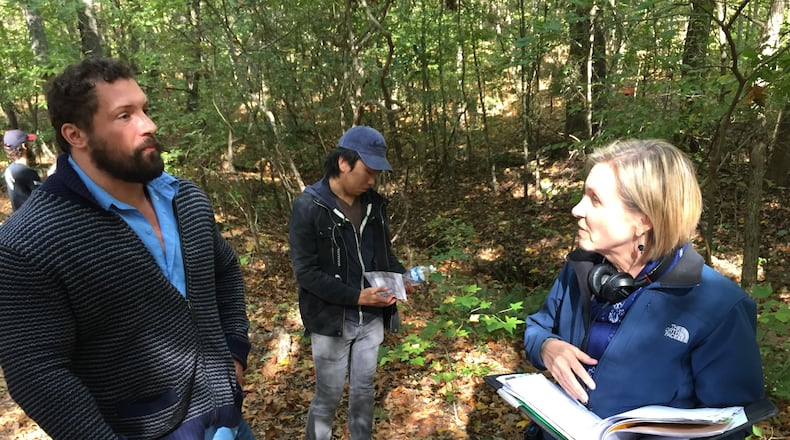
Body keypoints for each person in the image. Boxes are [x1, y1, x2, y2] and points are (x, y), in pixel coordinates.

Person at [0, 57, 256, 439]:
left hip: (229, 418)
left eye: (145, 110)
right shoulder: (31, 241)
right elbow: (37, 370)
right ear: (75, 135)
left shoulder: (186, 199)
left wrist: (234, 351)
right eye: (125, 115)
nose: (150, 125)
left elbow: (224, 270)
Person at [523, 139, 764, 439]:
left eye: (595, 200)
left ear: (643, 220)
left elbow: (730, 424)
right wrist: (547, 347)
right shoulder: (580, 269)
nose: (576, 209)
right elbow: (536, 327)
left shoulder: (718, 307)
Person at [289, 126, 414, 440]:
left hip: (371, 320)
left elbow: (383, 254)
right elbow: (306, 273)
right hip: (332, 322)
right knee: (328, 396)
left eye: (376, 174)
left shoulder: (373, 204)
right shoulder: (310, 207)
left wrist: (402, 278)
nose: (372, 180)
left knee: (363, 392)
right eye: (368, 172)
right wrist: (358, 297)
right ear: (343, 163)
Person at [3, 129, 42, 211]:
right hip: (33, 220)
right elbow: (44, 198)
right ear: (24, 146)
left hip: (21, 220)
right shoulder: (25, 172)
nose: (31, 146)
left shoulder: (10, 169)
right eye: (29, 143)